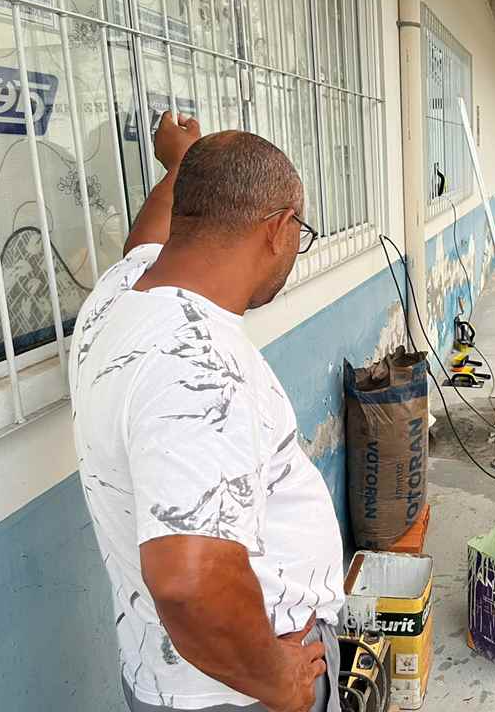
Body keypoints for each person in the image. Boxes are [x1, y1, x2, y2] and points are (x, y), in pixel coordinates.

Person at [69, 112, 342, 712]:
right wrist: (278, 679)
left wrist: (177, 165)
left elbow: (145, 237)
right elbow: (189, 581)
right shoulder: (197, 368)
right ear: (277, 229)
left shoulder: (123, 292)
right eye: (302, 229)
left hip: (168, 673)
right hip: (232, 694)